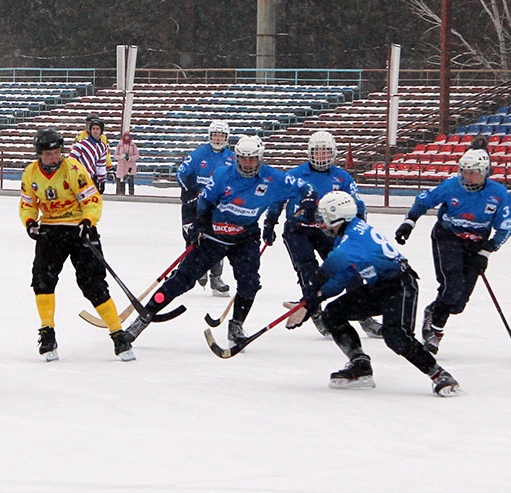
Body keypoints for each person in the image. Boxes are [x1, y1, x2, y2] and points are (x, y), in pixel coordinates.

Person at [123, 135, 315, 346]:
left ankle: (236, 325)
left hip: (245, 237)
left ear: (259, 158)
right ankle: (142, 320)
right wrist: (200, 225)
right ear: (237, 157)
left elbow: (306, 188)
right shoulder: (223, 174)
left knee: (250, 283)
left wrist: (308, 201)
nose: (248, 164)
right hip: (215, 235)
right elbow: (205, 201)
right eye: (243, 158)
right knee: (182, 280)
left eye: (252, 159)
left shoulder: (272, 177)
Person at [290, 191, 461, 397]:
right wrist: (315, 299)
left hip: (400, 285)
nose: (322, 223)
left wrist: (310, 297)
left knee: (396, 336)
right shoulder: (346, 235)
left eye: (324, 217)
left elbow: (328, 270)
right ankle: (360, 364)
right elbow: (343, 277)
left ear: (338, 215)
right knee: (333, 313)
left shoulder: (351, 240)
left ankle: (439, 375)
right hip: (378, 287)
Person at [20, 128, 134, 362]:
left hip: (79, 228)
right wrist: (30, 222)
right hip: (50, 229)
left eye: (56, 152)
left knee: (92, 284)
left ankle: (117, 333)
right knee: (42, 279)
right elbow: (28, 203)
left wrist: (87, 221)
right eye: (47, 154)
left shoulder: (73, 168)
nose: (53, 158)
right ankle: (47, 331)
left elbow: (91, 198)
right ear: (38, 154)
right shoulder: (30, 173)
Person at [394, 148, 511, 355]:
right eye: (465, 171)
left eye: (474, 172)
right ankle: (435, 332)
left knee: (458, 303)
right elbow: (423, 201)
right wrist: (409, 222)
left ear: (485, 171)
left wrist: (487, 251)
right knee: (453, 284)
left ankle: (433, 311)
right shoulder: (451, 186)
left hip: (476, 245)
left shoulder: (499, 193)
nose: (468, 176)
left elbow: (505, 227)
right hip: (448, 237)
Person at [265, 130, 382, 339]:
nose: (321, 157)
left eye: (326, 152)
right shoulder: (295, 175)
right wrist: (270, 222)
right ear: (310, 153)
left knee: (349, 268)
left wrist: (359, 225)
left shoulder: (342, 177)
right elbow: (277, 199)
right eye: (317, 152)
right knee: (308, 269)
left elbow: (357, 203)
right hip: (298, 229)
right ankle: (315, 310)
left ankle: (364, 315)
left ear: (333, 154)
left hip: (329, 230)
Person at [176, 119, 236, 297]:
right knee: (192, 237)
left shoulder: (231, 158)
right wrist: (190, 194)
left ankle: (216, 277)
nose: (218, 139)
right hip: (193, 205)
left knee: (219, 240)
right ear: (210, 136)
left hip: (216, 207)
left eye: (222, 136)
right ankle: (194, 271)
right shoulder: (198, 154)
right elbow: (181, 174)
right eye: (215, 135)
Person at [72, 113, 112, 193]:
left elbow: (105, 154)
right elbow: (73, 154)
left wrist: (107, 167)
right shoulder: (81, 136)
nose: (95, 131)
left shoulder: (103, 138)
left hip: (95, 169)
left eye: (97, 128)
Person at [114, 131, 139, 195]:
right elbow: (115, 155)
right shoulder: (119, 145)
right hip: (121, 168)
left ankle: (131, 195)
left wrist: (131, 158)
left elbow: (137, 155)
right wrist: (120, 157)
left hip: (130, 168)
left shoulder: (133, 145)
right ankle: (122, 195)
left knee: (131, 183)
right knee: (121, 183)